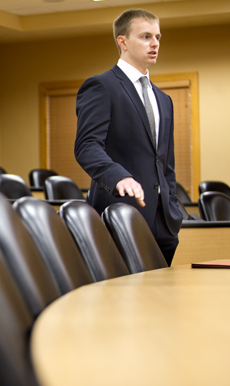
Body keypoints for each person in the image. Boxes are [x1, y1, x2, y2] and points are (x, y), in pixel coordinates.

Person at [74, 8, 183, 265]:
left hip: (164, 225)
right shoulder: (101, 86)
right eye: (145, 36)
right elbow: (87, 146)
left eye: (157, 37)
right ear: (122, 41)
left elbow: (165, 164)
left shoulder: (164, 100)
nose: (155, 43)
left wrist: (173, 209)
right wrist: (118, 175)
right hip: (120, 216)